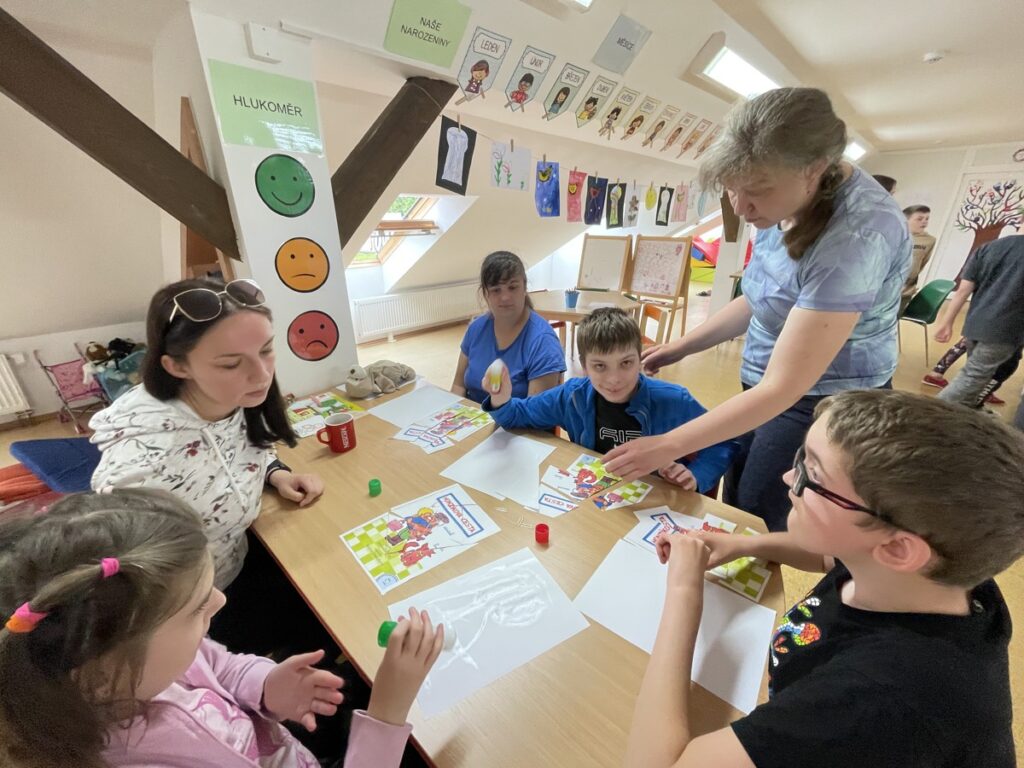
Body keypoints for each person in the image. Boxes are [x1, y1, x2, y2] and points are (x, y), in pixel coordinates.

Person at [623, 390, 1021, 768]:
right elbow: (832, 556)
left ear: (898, 549)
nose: (787, 478)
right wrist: (746, 546)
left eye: (811, 475)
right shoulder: (936, 573)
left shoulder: (875, 699)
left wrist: (684, 588)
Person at [604, 88, 911, 532]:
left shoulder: (858, 237)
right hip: (767, 384)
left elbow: (785, 386)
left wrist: (667, 444)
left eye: (757, 193)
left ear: (814, 171)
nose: (740, 207)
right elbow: (759, 297)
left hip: (822, 398)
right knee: (739, 491)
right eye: (732, 189)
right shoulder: (778, 202)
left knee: (761, 510)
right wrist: (681, 347)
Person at [0, 489, 444, 768]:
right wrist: (387, 712)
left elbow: (219, 664)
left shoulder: (132, 666)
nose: (221, 601)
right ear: (105, 670)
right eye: (197, 607)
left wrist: (265, 685)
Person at [90, 278, 325, 654]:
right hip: (194, 615)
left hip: (240, 559)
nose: (262, 374)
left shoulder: (225, 395)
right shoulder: (140, 469)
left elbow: (239, 448)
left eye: (266, 350)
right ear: (177, 366)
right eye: (231, 363)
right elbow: (131, 585)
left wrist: (275, 473)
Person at [483, 308, 736, 493]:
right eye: (600, 366)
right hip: (596, 500)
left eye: (626, 363)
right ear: (584, 366)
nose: (614, 379)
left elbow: (724, 440)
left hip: (654, 503)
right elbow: (517, 415)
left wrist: (696, 476)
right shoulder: (572, 396)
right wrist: (501, 400)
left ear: (640, 359)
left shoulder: (673, 400)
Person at [451, 251, 565, 404]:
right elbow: (458, 386)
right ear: (485, 293)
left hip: (516, 420)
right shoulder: (476, 329)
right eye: (496, 290)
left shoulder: (543, 342)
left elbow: (535, 413)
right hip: (472, 416)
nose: (505, 297)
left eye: (512, 287)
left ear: (524, 288)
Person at [934, 235, 1024, 409]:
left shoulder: (988, 247)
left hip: (976, 324)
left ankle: (970, 410)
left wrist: (947, 322)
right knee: (973, 376)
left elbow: (963, 290)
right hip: (1005, 330)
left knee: (999, 369)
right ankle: (927, 413)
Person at [899, 204, 936, 313]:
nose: (924, 222)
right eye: (919, 219)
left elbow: (922, 263)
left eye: (927, 219)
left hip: (905, 291)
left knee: (892, 319)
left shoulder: (929, 240)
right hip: (884, 289)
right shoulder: (894, 234)